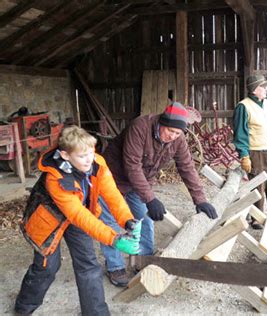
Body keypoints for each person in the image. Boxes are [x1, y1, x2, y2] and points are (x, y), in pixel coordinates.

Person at [15, 126, 140, 315]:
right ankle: (24, 307)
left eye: (91, 152)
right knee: (47, 267)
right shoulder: (55, 179)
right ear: (65, 155)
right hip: (49, 221)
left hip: (77, 216)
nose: (89, 158)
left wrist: (127, 220)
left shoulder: (97, 163)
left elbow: (112, 194)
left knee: (88, 264)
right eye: (82, 156)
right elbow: (77, 215)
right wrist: (114, 238)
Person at [99, 101, 218, 287]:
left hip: (139, 182)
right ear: (161, 123)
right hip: (111, 177)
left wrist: (200, 200)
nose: (172, 136)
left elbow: (187, 168)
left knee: (144, 218)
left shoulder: (177, 139)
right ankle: (115, 267)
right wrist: (151, 199)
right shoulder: (140, 127)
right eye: (170, 131)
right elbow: (132, 166)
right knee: (110, 223)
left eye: (177, 133)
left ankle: (143, 259)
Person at [232, 74, 267, 229]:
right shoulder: (243, 107)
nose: (266, 89)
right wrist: (244, 155)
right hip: (255, 153)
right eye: (263, 87)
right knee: (258, 187)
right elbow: (240, 133)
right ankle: (257, 218)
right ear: (254, 89)